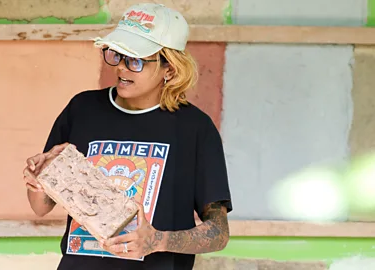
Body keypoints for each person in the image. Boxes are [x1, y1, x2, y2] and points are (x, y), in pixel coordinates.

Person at [23, 3, 233, 270]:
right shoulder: (82, 110)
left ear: (170, 69)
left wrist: (157, 240)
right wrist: (38, 182)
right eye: (117, 55)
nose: (121, 68)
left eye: (135, 61)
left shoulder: (195, 128)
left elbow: (218, 233)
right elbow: (41, 207)